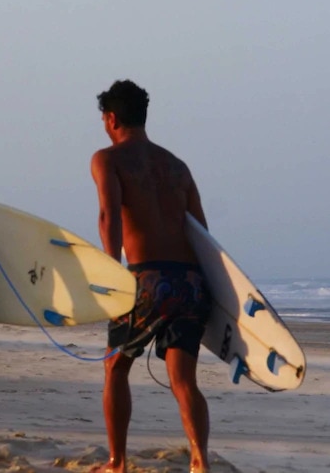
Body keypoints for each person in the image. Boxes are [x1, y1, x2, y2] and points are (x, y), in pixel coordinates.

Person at [90, 80, 213, 473]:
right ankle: (199, 459)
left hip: (144, 280)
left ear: (111, 118)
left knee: (116, 365)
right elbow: (203, 233)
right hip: (190, 280)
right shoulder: (178, 166)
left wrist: (109, 273)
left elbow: (109, 216)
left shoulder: (108, 159)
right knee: (183, 379)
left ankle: (117, 461)